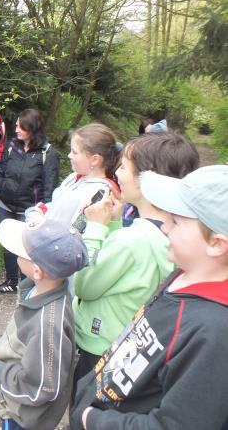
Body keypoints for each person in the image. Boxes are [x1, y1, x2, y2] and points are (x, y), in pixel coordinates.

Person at [70, 165, 228, 430]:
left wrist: (93, 420)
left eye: (176, 221)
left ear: (216, 245)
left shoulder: (214, 332)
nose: (165, 226)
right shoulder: (184, 275)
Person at [72, 132, 200, 385]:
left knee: (85, 409)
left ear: (144, 180)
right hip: (130, 347)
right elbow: (129, 270)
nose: (116, 173)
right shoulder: (173, 234)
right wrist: (115, 224)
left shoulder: (132, 240)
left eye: (123, 167)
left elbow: (83, 285)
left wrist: (96, 228)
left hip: (98, 345)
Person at [0, 218, 89, 430]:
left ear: (37, 271)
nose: (16, 253)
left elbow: (40, 389)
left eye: (21, 251)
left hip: (24, 418)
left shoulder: (48, 324)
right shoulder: (37, 290)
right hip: (14, 402)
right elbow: (19, 334)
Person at [0, 109, 60, 294]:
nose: (15, 129)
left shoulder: (47, 153)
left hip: (30, 210)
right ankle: (11, 280)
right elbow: (1, 173)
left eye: (19, 126)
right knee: (9, 243)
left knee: (27, 247)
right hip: (5, 205)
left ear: (31, 128)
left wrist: (45, 212)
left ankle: (27, 285)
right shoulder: (11, 146)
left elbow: (50, 188)